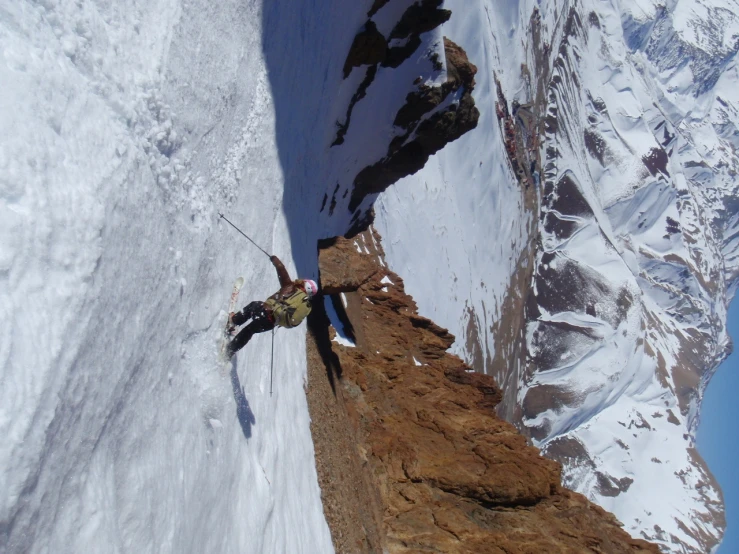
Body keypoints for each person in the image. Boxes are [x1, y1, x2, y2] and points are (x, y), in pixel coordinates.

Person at [227, 255, 319, 356]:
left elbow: (282, 272)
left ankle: (234, 320)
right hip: (271, 323)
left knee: (253, 305)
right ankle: (230, 350)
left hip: (265, 311)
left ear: (304, 284)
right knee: (250, 330)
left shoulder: (291, 288)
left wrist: (276, 261)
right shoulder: (303, 304)